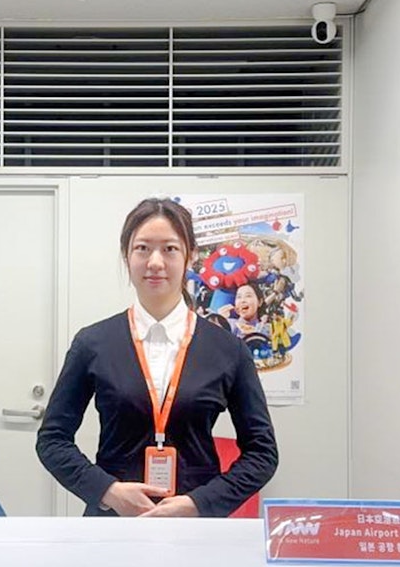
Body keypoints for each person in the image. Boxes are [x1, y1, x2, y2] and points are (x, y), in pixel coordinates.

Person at [35, 198, 279, 517]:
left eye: (169, 249)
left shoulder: (228, 350)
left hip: (195, 528)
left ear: (189, 256)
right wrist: (107, 491)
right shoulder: (93, 343)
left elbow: (262, 454)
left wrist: (200, 503)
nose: (155, 262)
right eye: (142, 248)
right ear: (127, 257)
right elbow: (52, 440)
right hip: (113, 523)